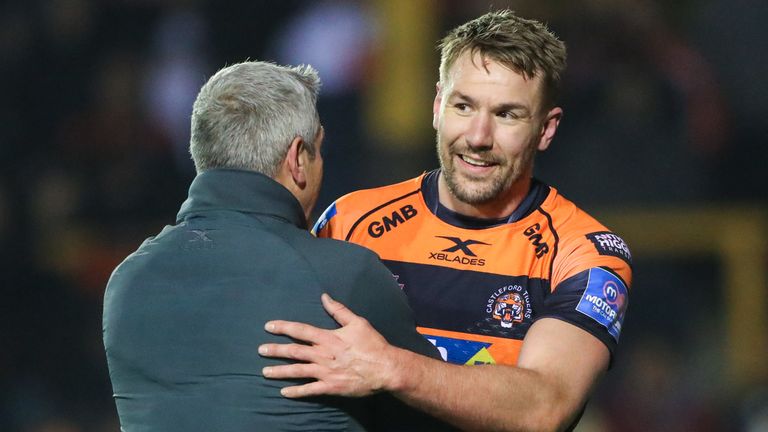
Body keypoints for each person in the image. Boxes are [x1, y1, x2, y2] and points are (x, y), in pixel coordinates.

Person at [257, 10, 633, 432]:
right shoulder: (352, 221)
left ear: (546, 129)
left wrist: (391, 367)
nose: (477, 136)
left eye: (507, 114)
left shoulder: (585, 251)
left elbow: (544, 407)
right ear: (438, 106)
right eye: (463, 106)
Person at [102, 61, 451, 431]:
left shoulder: (127, 280)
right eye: (318, 150)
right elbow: (441, 414)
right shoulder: (344, 279)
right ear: (298, 159)